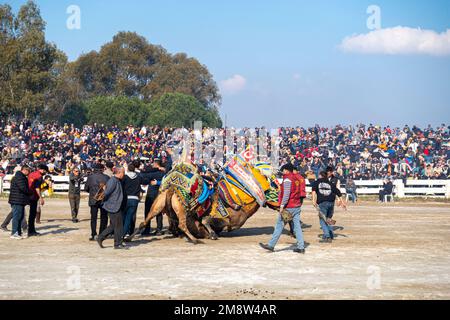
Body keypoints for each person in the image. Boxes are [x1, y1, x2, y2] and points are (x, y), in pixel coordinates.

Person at [259, 163, 306, 254]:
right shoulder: (297, 177)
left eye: (284, 170)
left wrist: (282, 205)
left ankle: (271, 245)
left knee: (279, 226)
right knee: (297, 227)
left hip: (289, 206)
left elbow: (287, 193)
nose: (283, 171)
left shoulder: (287, 179)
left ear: (287, 170)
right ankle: (301, 247)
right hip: (297, 205)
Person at [312, 171, 347, 243]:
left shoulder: (317, 182)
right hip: (331, 203)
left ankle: (327, 237)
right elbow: (338, 192)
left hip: (323, 203)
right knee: (328, 219)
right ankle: (331, 234)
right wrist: (342, 202)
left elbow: (313, 191)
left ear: (320, 176)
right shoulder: (330, 183)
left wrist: (313, 201)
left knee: (322, 220)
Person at [97, 166, 127, 249]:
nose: (124, 174)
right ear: (119, 172)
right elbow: (106, 193)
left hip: (115, 205)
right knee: (118, 225)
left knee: (114, 225)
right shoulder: (113, 181)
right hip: (113, 206)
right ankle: (117, 244)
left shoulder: (117, 180)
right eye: (123, 172)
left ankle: (100, 237)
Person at [122, 163, 149, 237]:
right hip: (135, 199)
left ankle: (124, 232)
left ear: (127, 169)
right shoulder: (138, 177)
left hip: (126, 198)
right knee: (131, 216)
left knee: (124, 216)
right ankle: (129, 232)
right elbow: (146, 181)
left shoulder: (125, 177)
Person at [84, 164, 110, 241]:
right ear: (102, 169)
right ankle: (102, 234)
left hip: (93, 199)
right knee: (104, 217)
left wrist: (92, 193)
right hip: (103, 199)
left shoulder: (90, 177)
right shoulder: (107, 177)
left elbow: (86, 188)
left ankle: (94, 234)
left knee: (93, 218)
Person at [142, 159, 166, 236]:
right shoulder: (164, 173)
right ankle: (159, 229)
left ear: (156, 165)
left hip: (151, 194)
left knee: (148, 211)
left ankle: (147, 229)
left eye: (153, 164)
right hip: (159, 195)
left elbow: (144, 173)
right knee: (158, 212)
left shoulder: (152, 173)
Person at [8, 165, 31, 239]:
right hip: (17, 200)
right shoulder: (20, 177)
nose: (29, 173)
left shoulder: (20, 177)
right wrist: (30, 192)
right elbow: (23, 188)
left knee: (20, 216)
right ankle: (14, 233)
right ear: (24, 170)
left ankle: (18, 232)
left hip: (19, 199)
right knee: (17, 216)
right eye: (28, 171)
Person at [27, 164, 48, 237]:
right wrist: (41, 198)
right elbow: (37, 188)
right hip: (33, 196)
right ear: (42, 170)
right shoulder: (39, 176)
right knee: (32, 214)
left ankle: (5, 223)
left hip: (27, 194)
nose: (45, 172)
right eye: (45, 171)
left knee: (19, 211)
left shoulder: (31, 173)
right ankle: (31, 231)